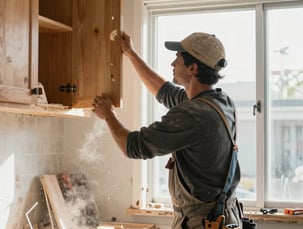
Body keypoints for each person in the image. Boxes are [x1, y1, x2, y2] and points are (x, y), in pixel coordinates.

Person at [92, 31, 242, 228]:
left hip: (204, 222)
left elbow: (133, 146)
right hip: (223, 216)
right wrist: (131, 54)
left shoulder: (194, 114)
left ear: (192, 68)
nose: (172, 64)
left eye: (177, 58)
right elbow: (165, 92)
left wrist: (108, 115)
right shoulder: (220, 102)